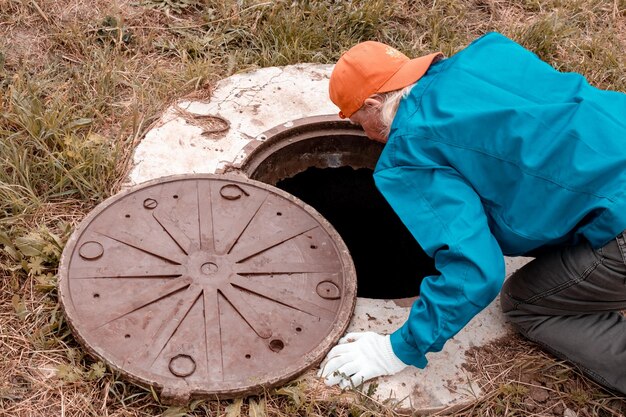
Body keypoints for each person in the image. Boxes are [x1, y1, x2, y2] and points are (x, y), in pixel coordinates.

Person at [317, 32, 626, 394]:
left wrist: (396, 349)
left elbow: (476, 270)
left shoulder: (412, 151)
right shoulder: (488, 54)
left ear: (372, 103)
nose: (367, 136)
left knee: (525, 301)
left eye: (359, 123)